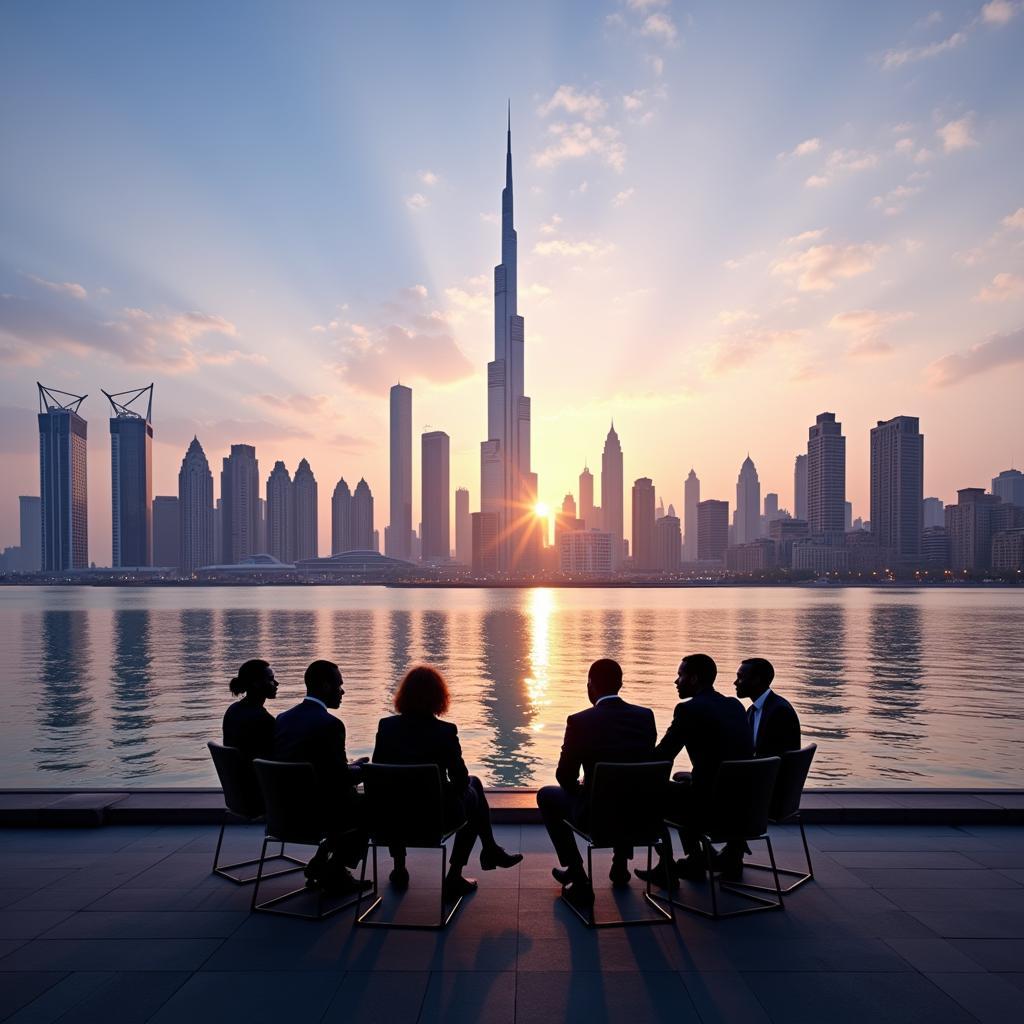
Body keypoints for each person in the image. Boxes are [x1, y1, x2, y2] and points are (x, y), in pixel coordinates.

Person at [372, 665, 522, 900]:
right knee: (474, 792)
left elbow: (379, 774)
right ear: (439, 697)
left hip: (389, 819)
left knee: (396, 793)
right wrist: (444, 793)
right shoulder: (444, 732)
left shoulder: (386, 727)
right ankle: (457, 872)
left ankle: (400, 868)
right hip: (433, 819)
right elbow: (461, 781)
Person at [536, 658, 656, 907]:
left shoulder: (580, 721)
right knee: (626, 790)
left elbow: (564, 776)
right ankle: (620, 864)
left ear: (590, 684)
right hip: (642, 814)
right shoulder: (645, 716)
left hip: (598, 817)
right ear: (620, 684)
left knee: (547, 796)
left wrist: (581, 790)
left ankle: (578, 877)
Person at [636, 653, 751, 885]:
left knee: (649, 794)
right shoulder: (735, 705)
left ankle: (667, 867)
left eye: (680, 676)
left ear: (694, 679)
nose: (676, 681)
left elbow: (663, 757)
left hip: (709, 809)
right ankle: (700, 859)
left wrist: (632, 753)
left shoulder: (689, 710)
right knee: (683, 783)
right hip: (742, 805)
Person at [273, 659, 369, 895]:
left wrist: (350, 767)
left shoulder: (283, 719)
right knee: (370, 805)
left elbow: (317, 765)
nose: (342, 691)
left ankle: (323, 860)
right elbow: (339, 779)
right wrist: (364, 770)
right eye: (339, 685)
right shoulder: (330, 724)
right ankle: (335, 870)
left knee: (347, 799)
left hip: (284, 810)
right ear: (326, 686)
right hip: (318, 814)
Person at [735, 658, 801, 758]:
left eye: (740, 677)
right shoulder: (752, 711)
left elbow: (775, 756)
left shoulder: (780, 712)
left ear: (756, 680)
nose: (735, 682)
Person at [222, 659, 277, 761]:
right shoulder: (264, 720)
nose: (276, 683)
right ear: (256, 683)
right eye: (271, 679)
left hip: (236, 774)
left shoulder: (232, 710)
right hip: (256, 775)